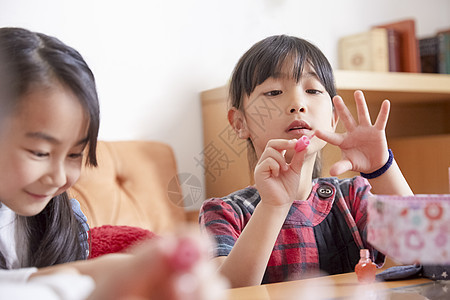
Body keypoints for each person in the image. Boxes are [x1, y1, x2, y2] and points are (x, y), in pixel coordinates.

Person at [0, 27, 227, 300]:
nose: (59, 177)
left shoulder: (63, 219)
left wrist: (140, 271)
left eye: (75, 154)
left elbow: (76, 273)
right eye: (39, 152)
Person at [199, 34, 413, 288]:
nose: (298, 104)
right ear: (239, 123)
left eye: (312, 90)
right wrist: (273, 206)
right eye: (274, 92)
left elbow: (428, 252)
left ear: (333, 119)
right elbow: (224, 292)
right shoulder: (224, 213)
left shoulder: (353, 197)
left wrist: (381, 169)